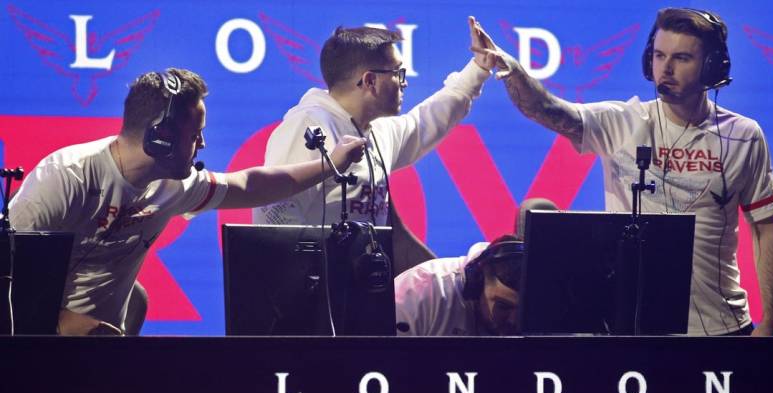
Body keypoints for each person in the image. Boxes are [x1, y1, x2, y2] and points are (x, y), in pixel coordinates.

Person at [474, 8, 773, 335]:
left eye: (681, 58)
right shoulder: (623, 122)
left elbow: (766, 227)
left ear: (711, 67)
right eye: (659, 55)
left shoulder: (744, 136)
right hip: (635, 330)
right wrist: (510, 70)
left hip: (724, 329)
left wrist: (772, 320)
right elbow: (548, 110)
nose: (666, 68)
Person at [9, 68, 366, 335]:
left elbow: (248, 184)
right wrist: (70, 325)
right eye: (196, 135)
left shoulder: (174, 185)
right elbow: (7, 278)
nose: (203, 145)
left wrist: (328, 165)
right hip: (33, 347)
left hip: (99, 350)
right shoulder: (64, 178)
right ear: (160, 137)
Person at [253, 17, 496, 274]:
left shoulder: (375, 130)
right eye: (397, 73)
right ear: (370, 80)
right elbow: (274, 216)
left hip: (361, 290)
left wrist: (478, 70)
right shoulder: (308, 128)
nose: (404, 82)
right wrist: (311, 282)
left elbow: (425, 122)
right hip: (315, 296)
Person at [395, 234, 524, 336]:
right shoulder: (421, 292)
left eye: (523, 310)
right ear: (476, 286)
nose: (514, 320)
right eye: (503, 307)